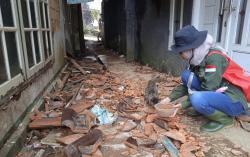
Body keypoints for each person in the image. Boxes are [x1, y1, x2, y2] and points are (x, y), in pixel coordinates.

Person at [163, 25, 249, 132]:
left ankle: (225, 120)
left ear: (191, 48)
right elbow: (187, 85)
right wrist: (169, 98)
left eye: (181, 51)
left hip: (233, 99)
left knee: (197, 99)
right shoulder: (197, 58)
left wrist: (182, 105)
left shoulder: (214, 58)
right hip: (218, 93)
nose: (180, 55)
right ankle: (204, 107)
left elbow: (208, 88)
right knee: (186, 75)